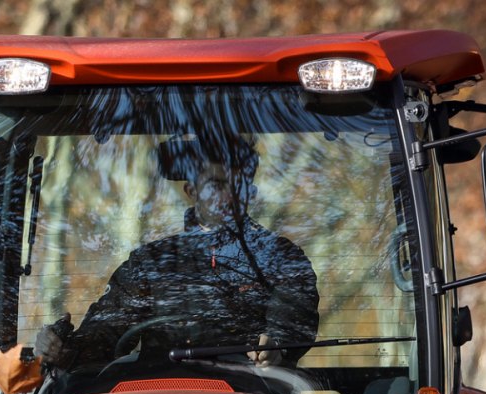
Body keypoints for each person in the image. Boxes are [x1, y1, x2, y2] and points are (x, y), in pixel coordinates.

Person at [36, 133, 320, 373]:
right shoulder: (151, 263)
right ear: (191, 191)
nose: (229, 196)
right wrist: (64, 350)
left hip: (252, 391)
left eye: (239, 185)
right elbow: (105, 333)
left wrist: (276, 344)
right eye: (217, 185)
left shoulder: (280, 257)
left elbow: (293, 314)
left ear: (251, 193)